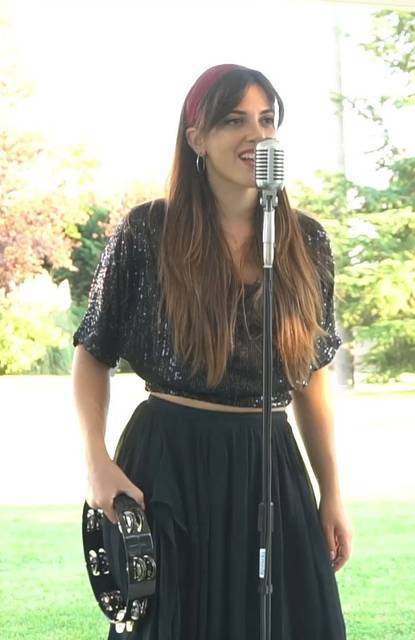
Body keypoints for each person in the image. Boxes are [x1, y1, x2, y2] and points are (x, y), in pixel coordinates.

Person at [74, 64, 349, 640]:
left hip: (268, 459)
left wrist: (331, 494)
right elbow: (93, 353)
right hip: (170, 460)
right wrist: (97, 463)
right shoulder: (148, 231)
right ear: (196, 137)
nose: (255, 134)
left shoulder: (308, 242)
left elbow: (311, 379)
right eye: (234, 120)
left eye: (266, 120)